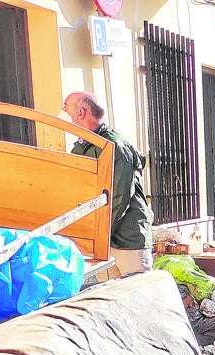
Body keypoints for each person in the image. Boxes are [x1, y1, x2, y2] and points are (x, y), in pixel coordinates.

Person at [64, 91, 154, 275]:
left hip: (127, 240)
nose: (64, 116)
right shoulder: (81, 147)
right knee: (109, 297)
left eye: (66, 110)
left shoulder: (113, 145)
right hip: (103, 240)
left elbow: (118, 197)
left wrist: (98, 234)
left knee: (136, 296)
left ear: (80, 113)